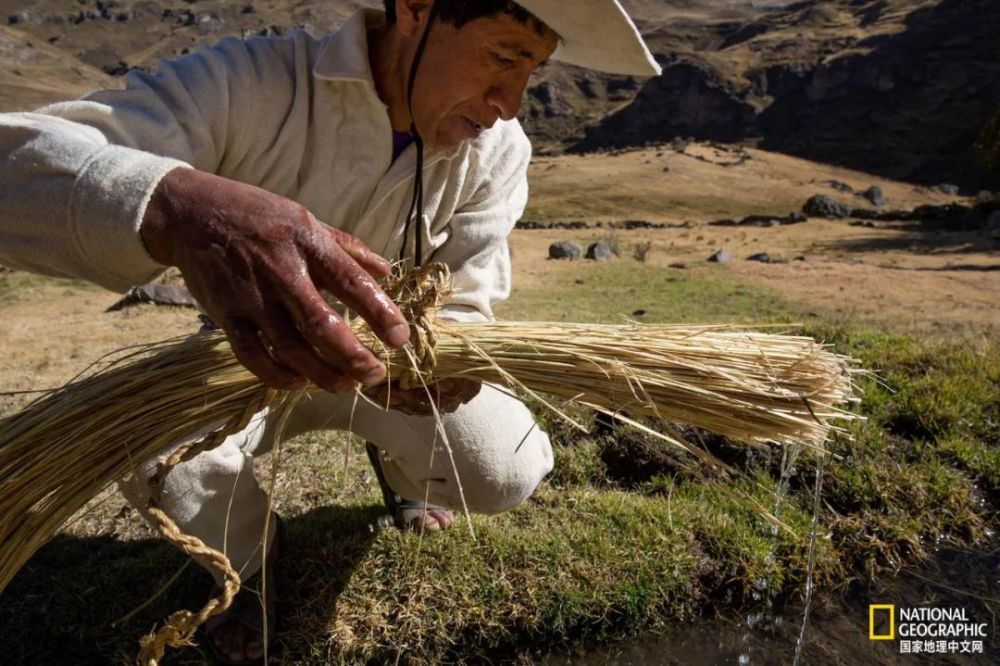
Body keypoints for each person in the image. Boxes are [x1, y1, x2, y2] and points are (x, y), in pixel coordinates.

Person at [0, 0, 660, 662]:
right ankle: (253, 563)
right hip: (243, 364)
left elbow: (469, 290)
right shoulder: (250, 82)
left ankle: (403, 474)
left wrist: (441, 358)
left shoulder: (498, 152)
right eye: (503, 56)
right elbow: (17, 162)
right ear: (416, 10)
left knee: (503, 466)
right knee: (156, 460)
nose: (510, 102)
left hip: (391, 375)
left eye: (533, 71)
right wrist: (179, 205)